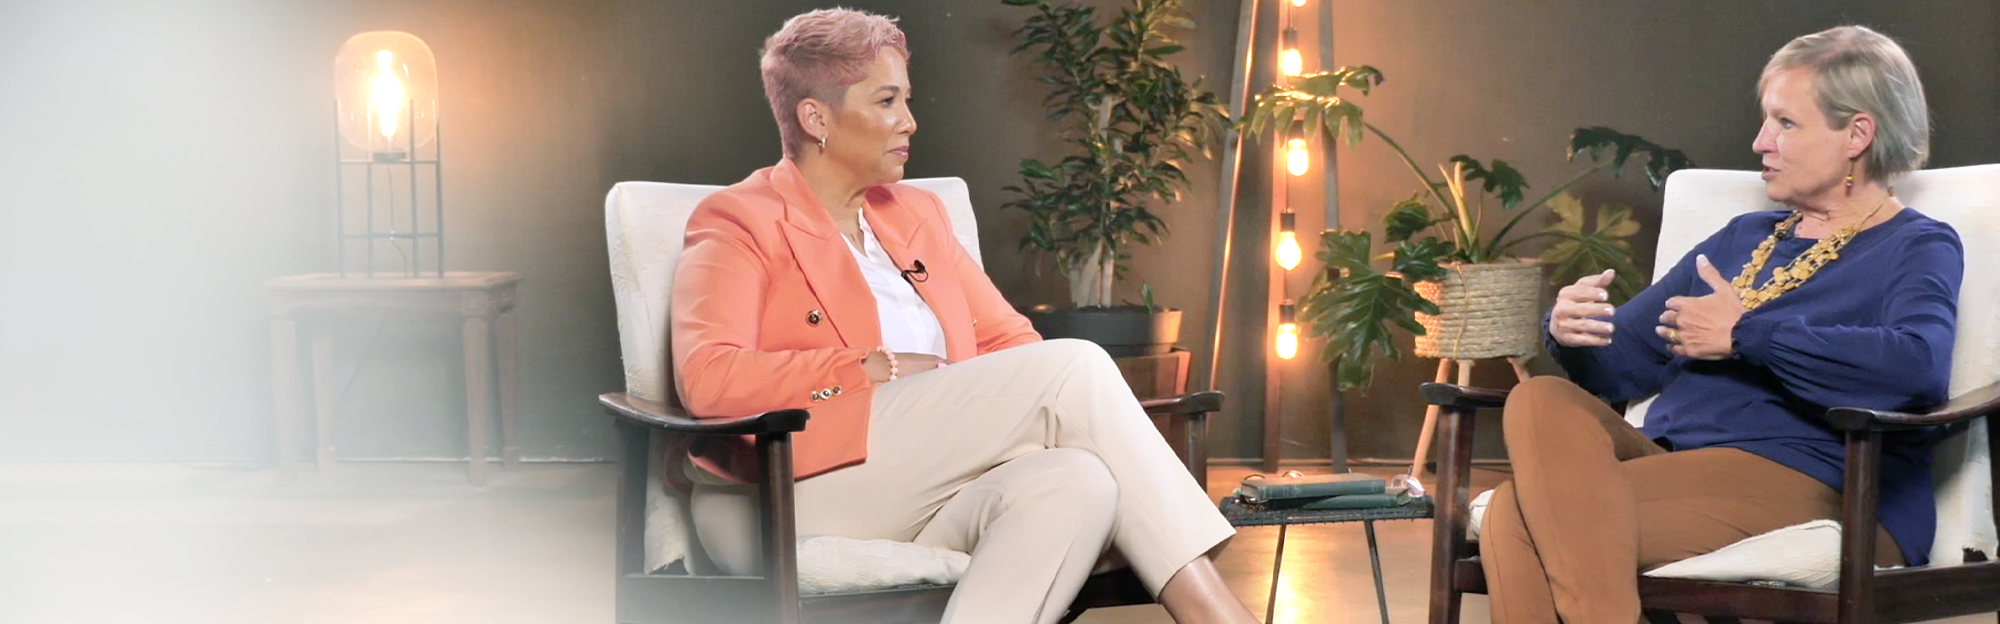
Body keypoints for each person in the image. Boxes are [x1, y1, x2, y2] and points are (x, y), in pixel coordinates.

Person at [667, 9, 1257, 624]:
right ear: (817, 119)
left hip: (919, 484)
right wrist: (865, 368)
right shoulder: (739, 218)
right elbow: (709, 377)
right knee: (1073, 365)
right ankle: (1212, 611)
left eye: (907, 99)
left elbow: (1011, 343)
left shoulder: (915, 213)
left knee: (1079, 481)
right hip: (786, 485)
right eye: (887, 101)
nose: (910, 121)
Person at [1482, 25, 1963, 624]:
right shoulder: (1743, 239)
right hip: (1675, 464)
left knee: (1514, 518)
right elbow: (1619, 368)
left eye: (1786, 123)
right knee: (1540, 398)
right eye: (1765, 121)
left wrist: (1747, 335)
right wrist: (1573, 331)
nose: (1761, 142)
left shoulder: (1915, 244)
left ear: (1857, 135)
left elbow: (1917, 367)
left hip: (1817, 479)